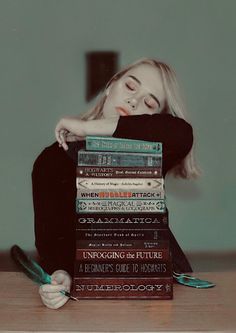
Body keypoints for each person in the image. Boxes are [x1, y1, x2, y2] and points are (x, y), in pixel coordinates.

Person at [32, 58, 200, 309]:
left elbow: (181, 133)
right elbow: (50, 241)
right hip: (87, 293)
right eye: (131, 87)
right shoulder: (51, 160)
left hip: (156, 291)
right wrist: (60, 275)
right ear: (111, 86)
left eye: (150, 102)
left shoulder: (149, 151)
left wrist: (87, 127)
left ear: (152, 120)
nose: (134, 101)